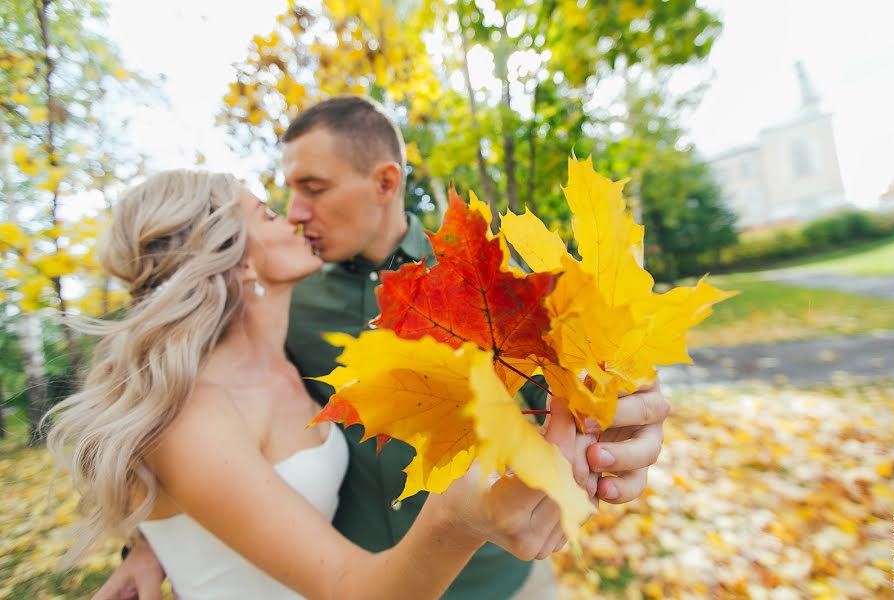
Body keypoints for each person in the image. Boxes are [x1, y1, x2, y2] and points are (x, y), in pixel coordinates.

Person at [95, 95, 671, 599]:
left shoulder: (492, 285)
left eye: (312, 188)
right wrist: (153, 543)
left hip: (497, 580)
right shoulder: (283, 310)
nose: (295, 211)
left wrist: (623, 420)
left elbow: (584, 398)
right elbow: (197, 429)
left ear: (386, 182)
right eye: (285, 193)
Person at [47, 170, 589, 600]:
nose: (291, 217)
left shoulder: (283, 360)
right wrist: (457, 516)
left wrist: (155, 544)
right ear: (230, 256)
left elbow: (209, 502)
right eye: (266, 212)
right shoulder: (193, 418)